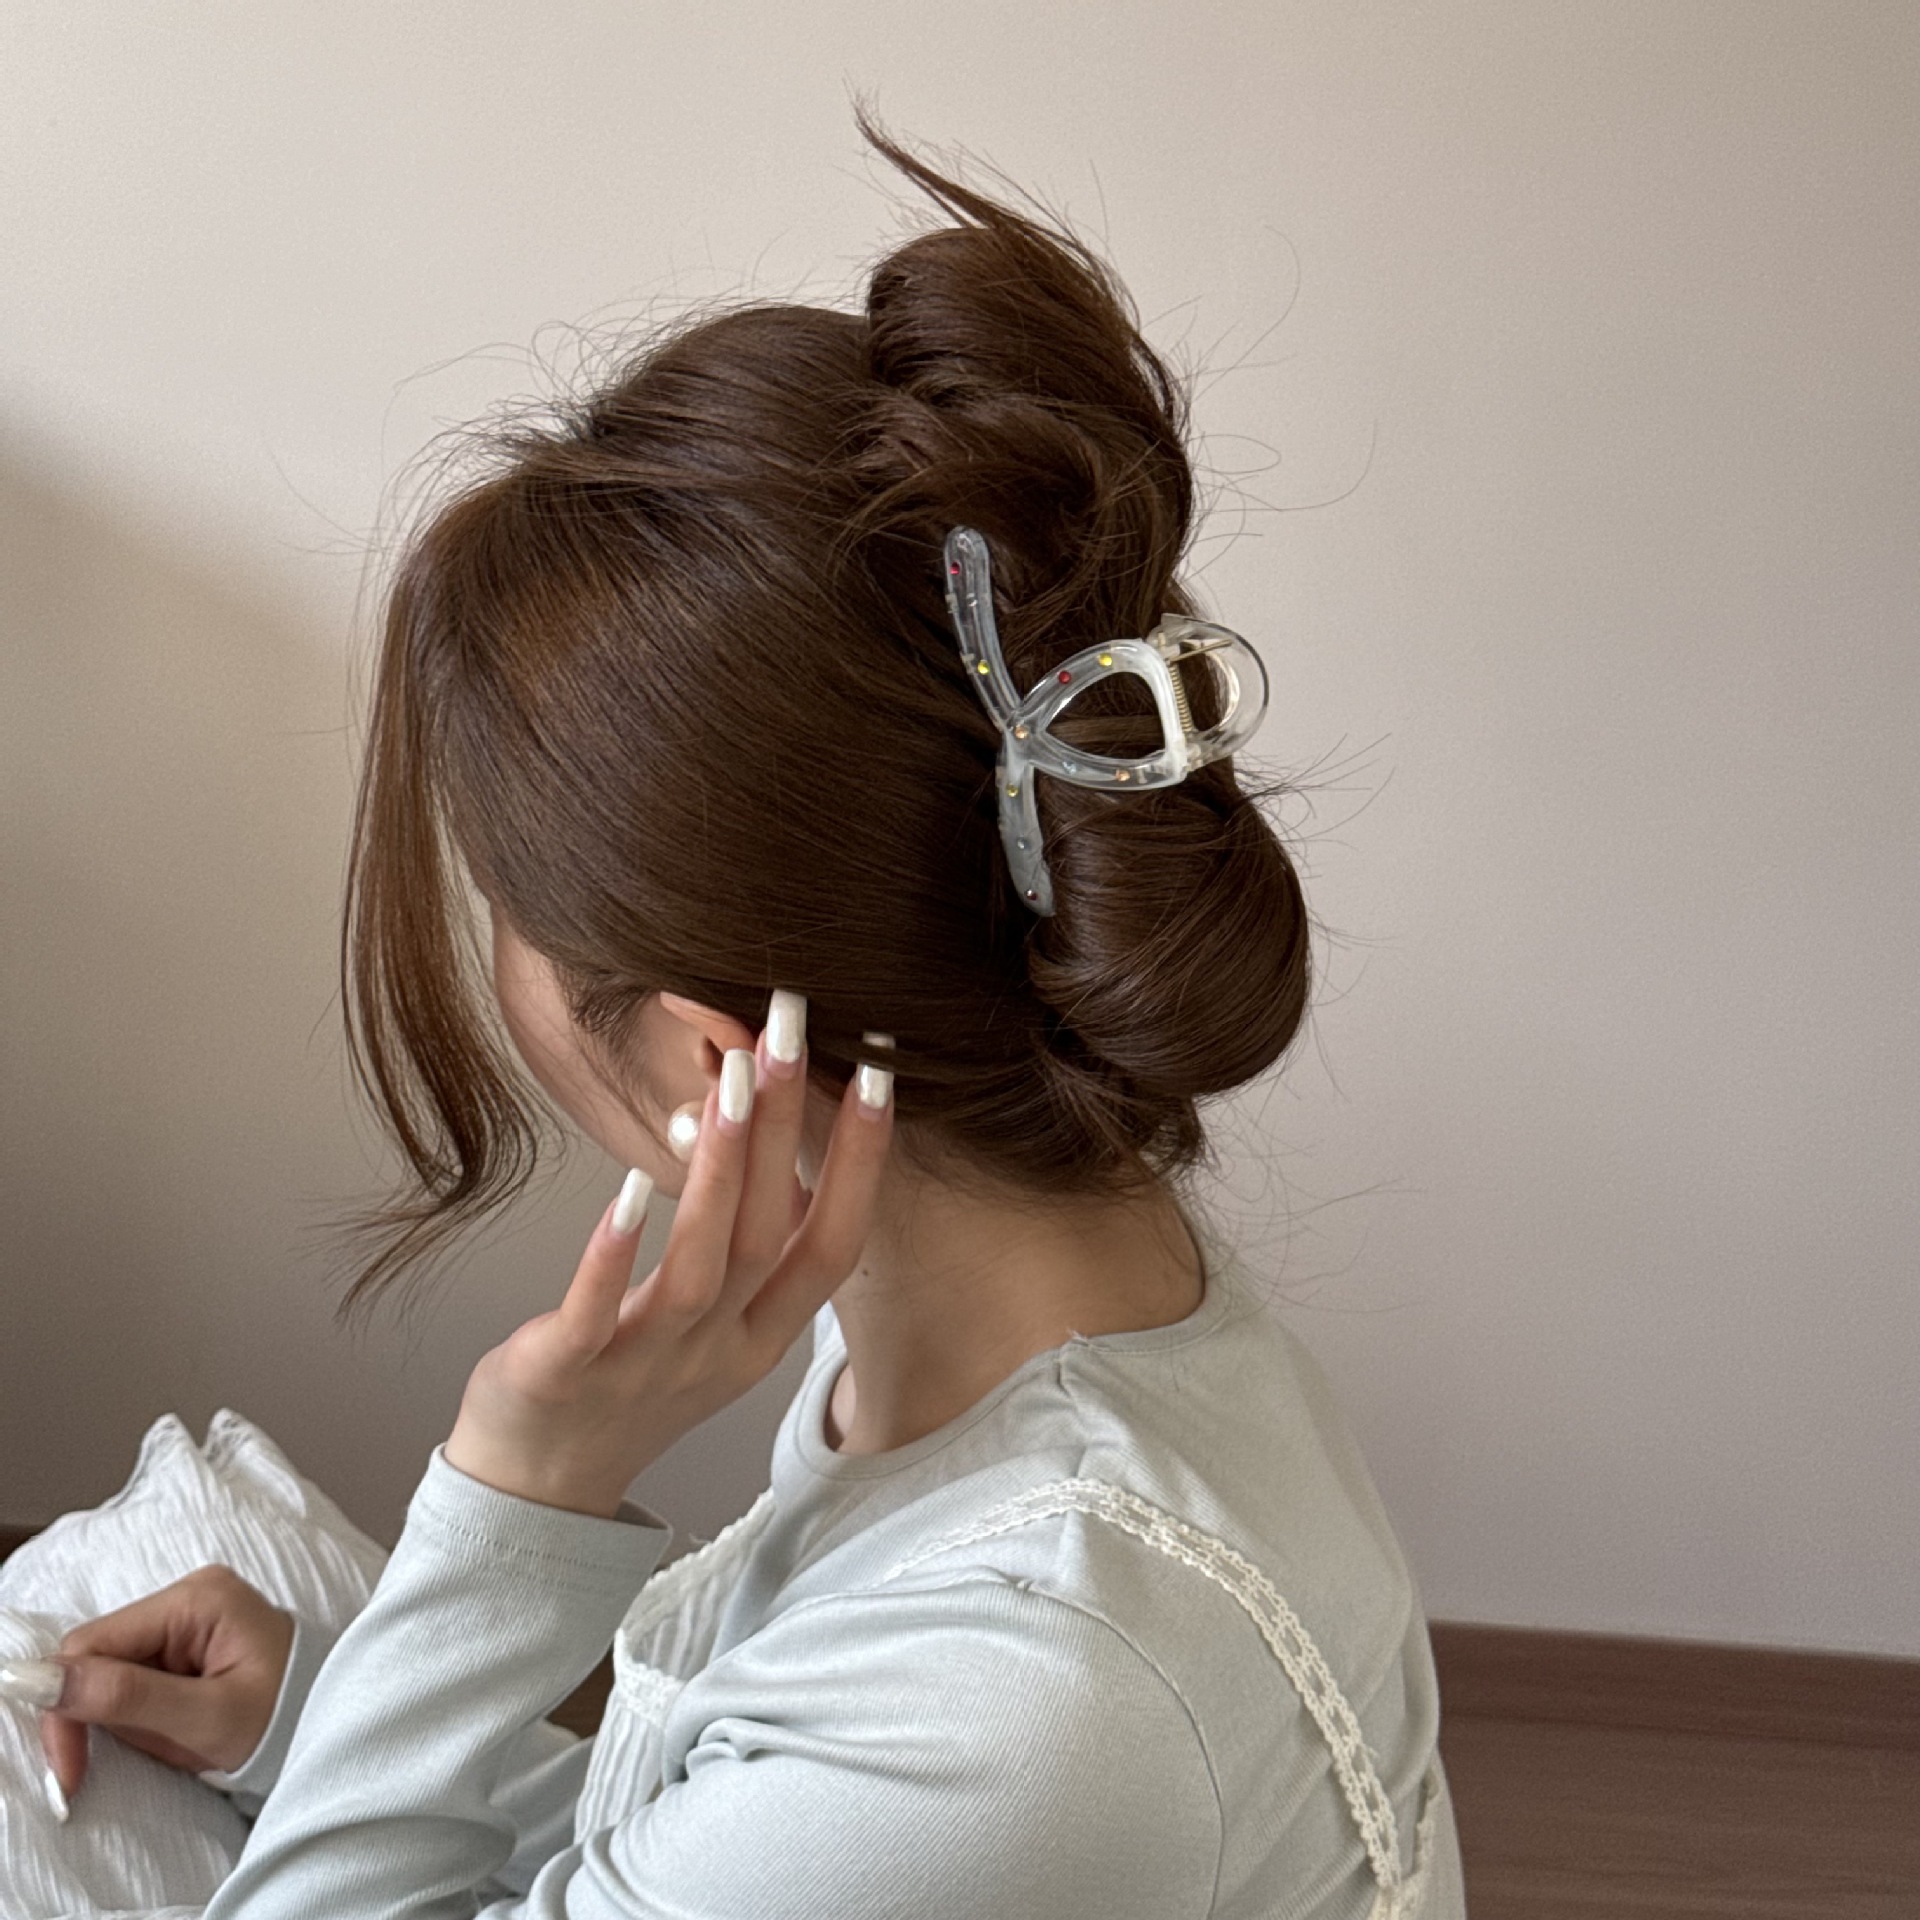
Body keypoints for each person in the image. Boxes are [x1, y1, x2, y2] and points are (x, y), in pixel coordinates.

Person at [35, 108, 1467, 1917]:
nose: (503, 968)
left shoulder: (1043, 1689)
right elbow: (773, 1827)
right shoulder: (1077, 1339)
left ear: (728, 1062)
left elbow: (918, 1791)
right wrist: (324, 1718)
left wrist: (520, 1490)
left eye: (506, 907)